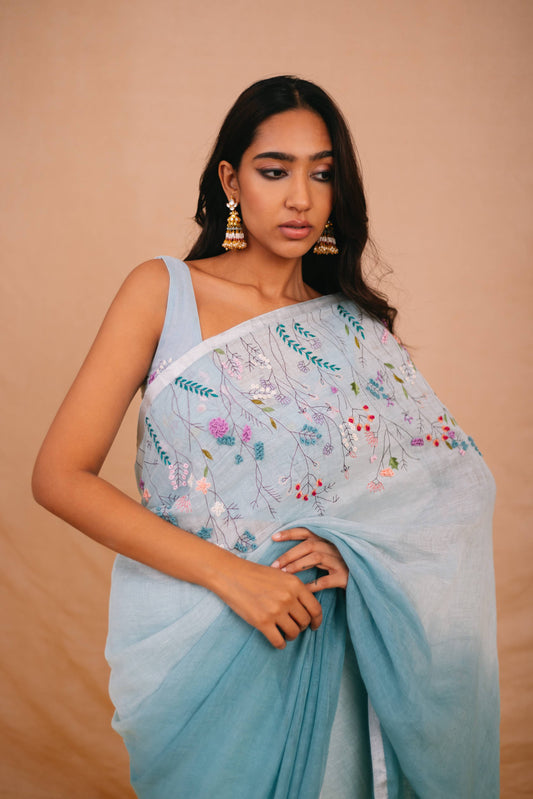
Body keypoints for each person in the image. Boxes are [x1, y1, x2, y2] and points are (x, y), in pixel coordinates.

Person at [32, 76, 499, 799]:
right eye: (275, 171)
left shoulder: (354, 325)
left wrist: (360, 556)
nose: (300, 199)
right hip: (208, 647)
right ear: (231, 181)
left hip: (332, 647)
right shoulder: (164, 292)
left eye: (322, 174)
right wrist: (232, 576)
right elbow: (60, 476)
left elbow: (448, 488)